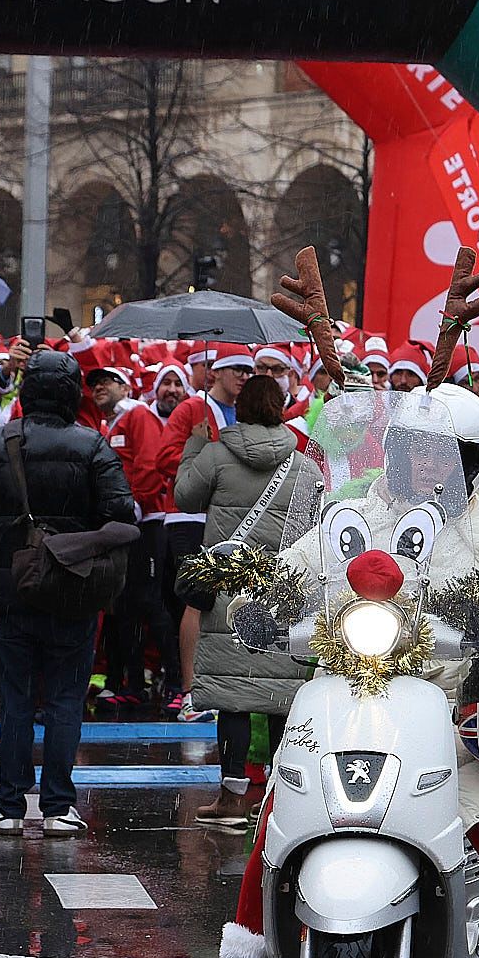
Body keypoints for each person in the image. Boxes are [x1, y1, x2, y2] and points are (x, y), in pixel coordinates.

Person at [205, 384, 479, 958]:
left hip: (435, 708)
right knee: (275, 826)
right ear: (394, 454)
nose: (428, 466)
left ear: (471, 461)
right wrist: (262, 605)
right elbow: (295, 571)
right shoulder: (352, 519)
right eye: (415, 451)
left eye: (444, 454)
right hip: (340, 702)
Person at [0, 350, 135, 834]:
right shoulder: (93, 445)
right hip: (73, 585)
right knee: (66, 698)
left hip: (9, 585)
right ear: (73, 393)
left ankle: (9, 806)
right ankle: (56, 806)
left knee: (15, 699)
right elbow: (122, 515)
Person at [173, 372, 310, 827]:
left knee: (232, 695)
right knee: (277, 691)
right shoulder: (303, 466)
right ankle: (276, 796)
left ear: (241, 409)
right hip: (280, 590)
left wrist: (194, 447)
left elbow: (184, 498)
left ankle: (232, 798)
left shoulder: (215, 454)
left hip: (228, 587)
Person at [156, 345, 253, 721]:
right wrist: (209, 457)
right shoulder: (191, 409)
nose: (244, 376)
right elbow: (164, 458)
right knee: (197, 601)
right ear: (215, 373)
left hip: (231, 519)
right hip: (190, 519)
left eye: (248, 370)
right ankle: (190, 691)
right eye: (237, 370)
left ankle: (220, 684)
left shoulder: (244, 413)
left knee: (228, 603)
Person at [90, 352, 173, 707]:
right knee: (123, 607)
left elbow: (150, 464)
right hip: (121, 525)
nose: (99, 387)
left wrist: (135, 504)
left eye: (108, 380)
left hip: (146, 523)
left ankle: (178, 683)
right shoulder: (107, 426)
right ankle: (132, 684)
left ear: (126, 386)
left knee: (150, 603)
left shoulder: (138, 415)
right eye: (94, 382)